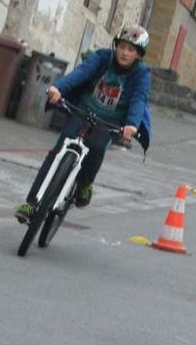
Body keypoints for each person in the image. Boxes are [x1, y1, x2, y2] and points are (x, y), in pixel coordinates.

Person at [16, 25, 153, 222]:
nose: (124, 52)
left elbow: (139, 98)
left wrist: (131, 124)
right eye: (122, 47)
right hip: (83, 110)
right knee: (57, 152)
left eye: (131, 50)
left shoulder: (141, 73)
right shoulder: (102, 57)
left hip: (110, 121)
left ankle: (85, 184)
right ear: (116, 46)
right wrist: (58, 88)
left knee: (97, 148)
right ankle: (32, 204)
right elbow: (81, 73)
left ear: (139, 54)